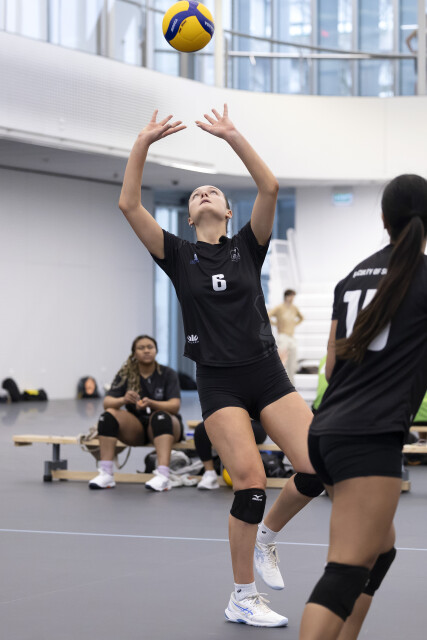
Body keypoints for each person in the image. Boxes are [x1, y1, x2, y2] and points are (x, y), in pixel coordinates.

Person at [118, 105, 324, 627]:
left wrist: (232, 136)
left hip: (267, 372)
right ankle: (242, 596)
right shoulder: (176, 254)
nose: (203, 194)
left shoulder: (248, 248)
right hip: (219, 379)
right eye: (195, 195)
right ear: (189, 218)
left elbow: (270, 186)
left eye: (213, 193)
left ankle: (268, 538)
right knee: (250, 482)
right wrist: (143, 143)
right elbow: (129, 203)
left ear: (229, 212)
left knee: (318, 466)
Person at [298, 174, 427, 640]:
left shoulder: (353, 276)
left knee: (380, 549)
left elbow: (332, 366)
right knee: (346, 568)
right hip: (367, 437)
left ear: (384, 220)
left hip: (327, 430)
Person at [89, 334, 189, 492]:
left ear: (156, 351)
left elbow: (175, 405)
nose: (146, 350)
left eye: (150, 347)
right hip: (137, 428)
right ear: (134, 353)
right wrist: (123, 399)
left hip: (167, 425)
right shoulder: (126, 375)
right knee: (107, 416)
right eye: (141, 348)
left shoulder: (168, 373)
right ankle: (106, 474)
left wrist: (152, 403)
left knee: (160, 416)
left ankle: (163, 476)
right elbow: (107, 402)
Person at [193, 419, 267, 490]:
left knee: (235, 428)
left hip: (254, 423)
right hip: (229, 421)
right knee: (201, 428)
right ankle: (210, 473)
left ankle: (246, 474)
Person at [268, 289, 304, 384]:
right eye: (291, 296)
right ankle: (280, 383)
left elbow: (301, 318)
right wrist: (275, 324)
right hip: (283, 336)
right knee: (282, 361)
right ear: (286, 296)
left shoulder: (294, 308)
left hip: (291, 336)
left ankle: (291, 384)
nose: (292, 298)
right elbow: (268, 315)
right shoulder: (279, 307)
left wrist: (294, 324)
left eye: (293, 296)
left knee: (292, 363)